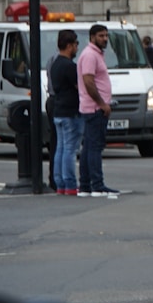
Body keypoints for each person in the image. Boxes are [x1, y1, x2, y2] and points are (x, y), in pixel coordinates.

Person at [77, 23, 119, 197]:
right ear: (92, 37)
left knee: (88, 147)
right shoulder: (90, 55)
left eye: (106, 36)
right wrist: (102, 103)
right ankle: (97, 184)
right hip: (94, 108)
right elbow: (88, 81)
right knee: (95, 147)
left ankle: (86, 185)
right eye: (101, 36)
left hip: (92, 107)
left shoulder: (95, 54)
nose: (105, 39)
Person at [49, 29, 83, 195]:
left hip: (58, 110)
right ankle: (70, 183)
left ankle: (60, 183)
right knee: (70, 149)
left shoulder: (55, 64)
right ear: (69, 46)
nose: (77, 47)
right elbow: (80, 87)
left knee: (60, 148)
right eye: (76, 44)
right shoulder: (70, 66)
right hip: (71, 111)